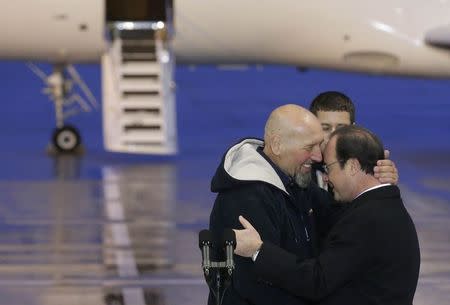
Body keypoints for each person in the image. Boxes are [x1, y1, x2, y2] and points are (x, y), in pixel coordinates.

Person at [208, 105, 398, 305]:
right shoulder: (246, 197)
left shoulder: (296, 183)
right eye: (309, 147)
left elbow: (346, 221)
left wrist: (374, 185)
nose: (318, 156)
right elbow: (255, 287)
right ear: (277, 144)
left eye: (319, 145)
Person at [308, 91, 397, 190]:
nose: (333, 136)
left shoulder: (367, 169)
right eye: (325, 128)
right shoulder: (298, 167)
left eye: (341, 128)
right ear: (312, 128)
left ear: (353, 130)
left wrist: (383, 186)